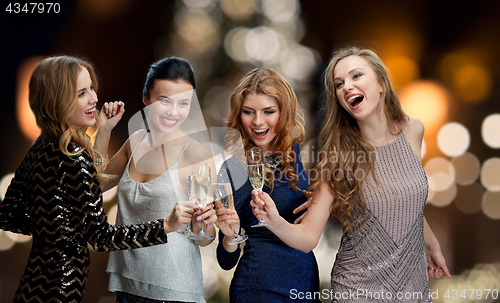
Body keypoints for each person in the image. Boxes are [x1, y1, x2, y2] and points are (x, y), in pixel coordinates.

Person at [251, 46, 451, 302]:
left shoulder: (413, 130)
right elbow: (308, 237)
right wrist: (274, 220)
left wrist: (430, 242)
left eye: (356, 76)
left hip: (413, 288)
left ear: (381, 83)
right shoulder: (338, 157)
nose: (346, 86)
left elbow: (404, 196)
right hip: (357, 290)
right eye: (339, 83)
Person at [0, 56, 196, 303]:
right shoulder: (76, 159)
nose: (94, 97)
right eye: (82, 93)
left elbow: (9, 215)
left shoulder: (40, 147)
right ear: (59, 101)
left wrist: (54, 228)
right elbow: (101, 238)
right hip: (61, 290)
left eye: (92, 87)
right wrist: (165, 226)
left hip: (30, 288)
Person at [95, 57, 217, 303]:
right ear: (146, 100)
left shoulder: (197, 155)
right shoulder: (135, 142)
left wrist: (205, 224)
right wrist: (104, 131)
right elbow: (94, 186)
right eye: (164, 101)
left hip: (173, 291)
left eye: (184, 103)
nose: (174, 112)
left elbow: (204, 237)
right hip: (127, 286)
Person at [215, 68, 320, 302]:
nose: (258, 121)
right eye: (248, 112)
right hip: (259, 289)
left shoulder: (294, 155)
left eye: (268, 111)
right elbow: (225, 260)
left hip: (305, 287)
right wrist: (230, 236)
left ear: (284, 112)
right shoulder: (234, 168)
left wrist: (317, 202)